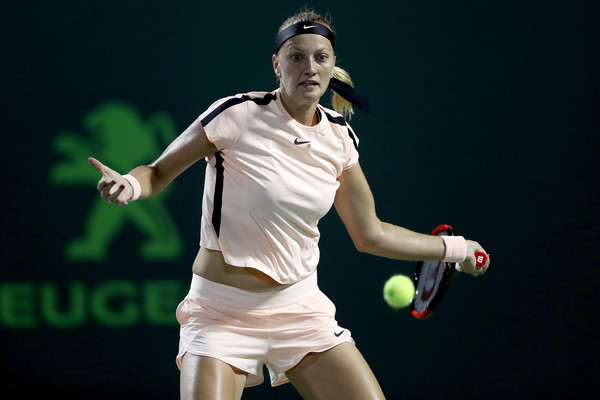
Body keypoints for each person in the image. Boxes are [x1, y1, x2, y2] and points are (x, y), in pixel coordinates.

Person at [89, 8, 490, 400]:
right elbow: (157, 172)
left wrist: (457, 249)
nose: (309, 68)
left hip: (301, 310)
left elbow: (371, 234)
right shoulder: (238, 114)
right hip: (220, 313)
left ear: (333, 66)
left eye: (321, 58)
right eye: (296, 57)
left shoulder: (340, 138)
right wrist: (130, 185)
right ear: (277, 66)